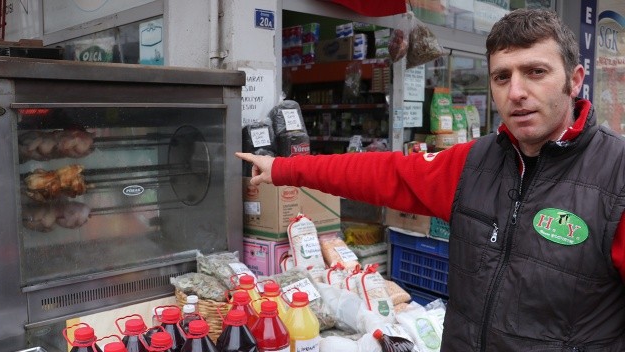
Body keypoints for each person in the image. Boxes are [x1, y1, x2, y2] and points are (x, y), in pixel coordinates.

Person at [237, 8, 625, 351]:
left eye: (535, 72)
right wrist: (282, 169)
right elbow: (379, 172)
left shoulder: (616, 176)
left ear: (574, 80)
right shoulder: (473, 163)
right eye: (502, 77)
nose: (517, 92)